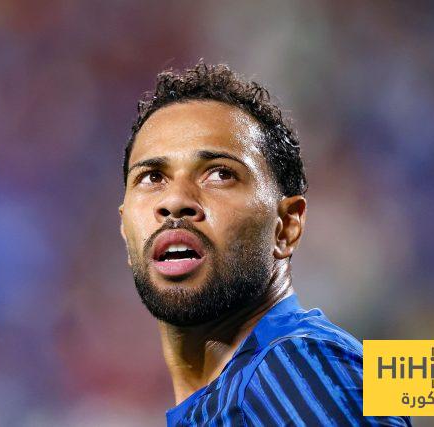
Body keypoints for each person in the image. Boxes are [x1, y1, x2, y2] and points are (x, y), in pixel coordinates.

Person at [118, 61, 411, 426]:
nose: (175, 200)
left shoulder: (296, 366)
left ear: (286, 226)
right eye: (152, 177)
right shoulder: (257, 384)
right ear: (124, 228)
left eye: (220, 173)